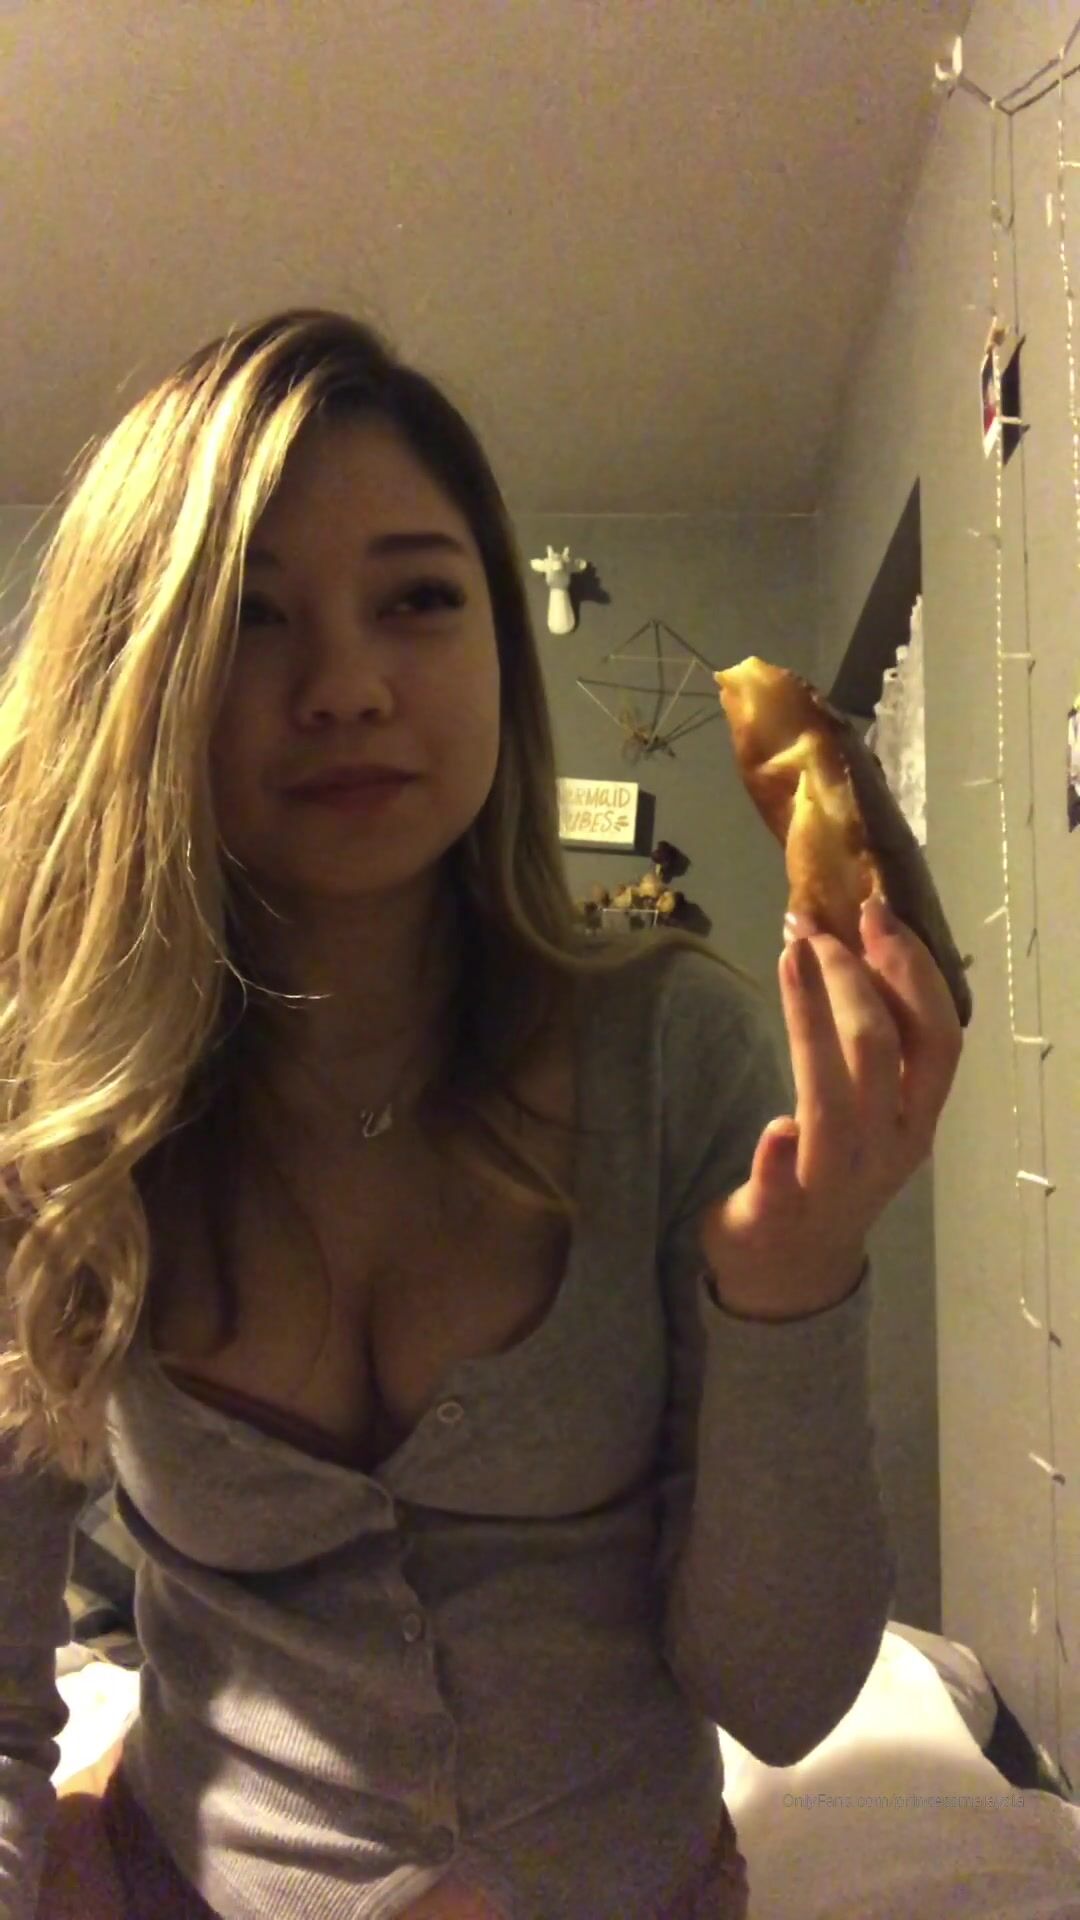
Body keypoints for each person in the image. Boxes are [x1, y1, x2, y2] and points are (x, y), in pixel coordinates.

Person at [0, 309, 963, 1920]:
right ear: (143, 672)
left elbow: (783, 1701)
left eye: (419, 599)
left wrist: (795, 1284)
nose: (347, 687)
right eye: (251, 617)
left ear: (501, 654)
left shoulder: (678, 1054)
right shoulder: (59, 1111)